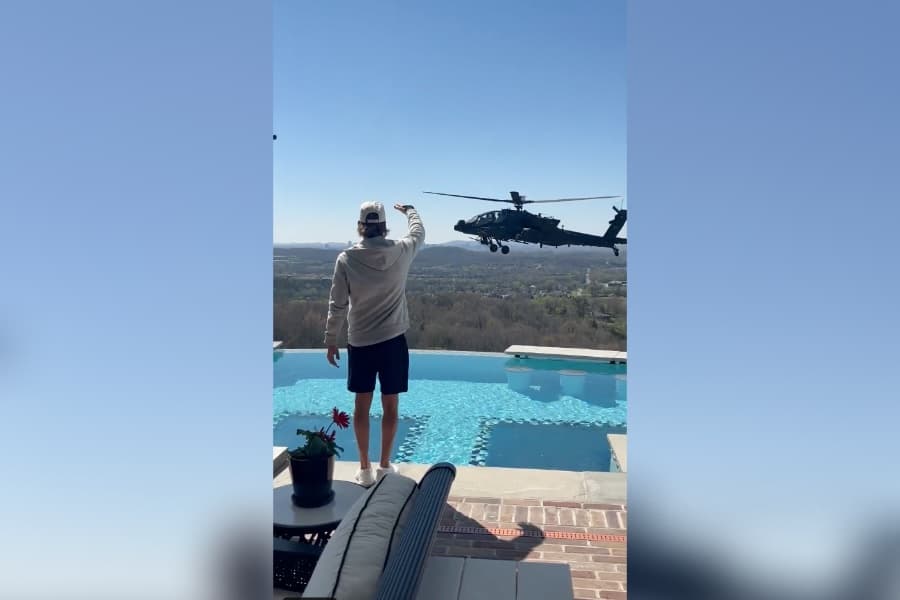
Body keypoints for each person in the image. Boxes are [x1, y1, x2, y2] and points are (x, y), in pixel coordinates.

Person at [323, 201, 425, 486]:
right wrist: (410, 211)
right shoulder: (401, 251)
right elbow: (418, 232)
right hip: (393, 340)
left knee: (361, 406)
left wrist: (331, 339)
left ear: (361, 226)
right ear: (384, 226)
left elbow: (337, 304)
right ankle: (384, 466)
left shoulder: (346, 259)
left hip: (361, 342)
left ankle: (365, 468)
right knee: (390, 405)